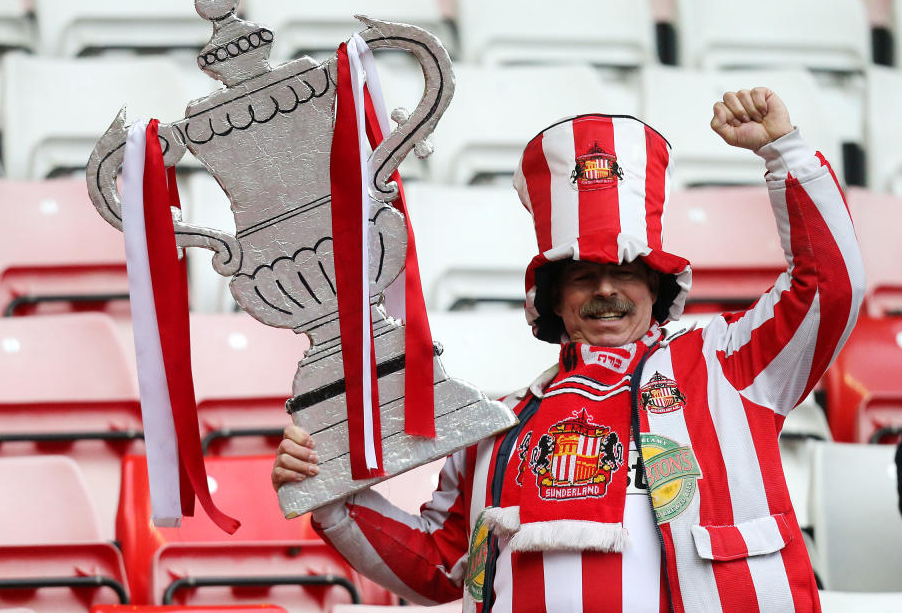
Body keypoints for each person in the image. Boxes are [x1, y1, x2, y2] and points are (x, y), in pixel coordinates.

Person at [272, 88, 865, 612]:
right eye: (582, 275)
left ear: (656, 287)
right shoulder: (491, 429)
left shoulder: (727, 364)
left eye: (625, 270)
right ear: (551, 300)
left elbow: (832, 287)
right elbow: (438, 569)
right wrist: (329, 495)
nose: (606, 289)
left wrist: (783, 151)